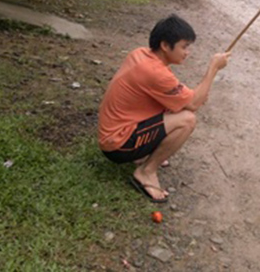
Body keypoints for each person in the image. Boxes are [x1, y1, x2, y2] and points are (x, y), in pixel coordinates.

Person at [98, 14, 230, 203]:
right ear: (165, 45)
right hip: (118, 144)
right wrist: (213, 69)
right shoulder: (155, 72)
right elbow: (193, 104)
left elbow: (184, 98)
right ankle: (146, 172)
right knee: (187, 120)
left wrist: (194, 97)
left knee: (176, 107)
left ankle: (142, 154)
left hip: (114, 132)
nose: (187, 52)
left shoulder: (141, 53)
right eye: (184, 47)